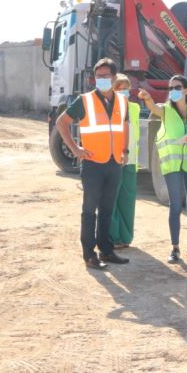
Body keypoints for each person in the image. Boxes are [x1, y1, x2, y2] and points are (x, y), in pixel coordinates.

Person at [56, 58, 130, 270]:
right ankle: (89, 255)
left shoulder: (122, 101)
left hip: (114, 162)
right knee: (90, 210)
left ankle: (106, 250)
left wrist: (125, 151)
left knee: (107, 209)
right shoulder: (85, 100)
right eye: (98, 77)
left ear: (114, 78)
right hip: (93, 164)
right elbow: (62, 123)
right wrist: (75, 149)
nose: (102, 80)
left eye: (106, 76)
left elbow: (125, 126)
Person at [139, 75, 187, 264]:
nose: (173, 91)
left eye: (177, 87)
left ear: (186, 90)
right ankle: (175, 248)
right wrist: (147, 98)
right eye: (170, 88)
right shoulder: (166, 111)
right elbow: (153, 108)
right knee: (175, 206)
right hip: (172, 165)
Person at [109, 73, 140, 249]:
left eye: (126, 89)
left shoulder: (134, 108)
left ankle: (125, 237)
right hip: (113, 159)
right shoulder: (109, 108)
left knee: (127, 201)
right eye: (119, 89)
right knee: (111, 200)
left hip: (130, 160)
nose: (123, 92)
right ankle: (113, 237)